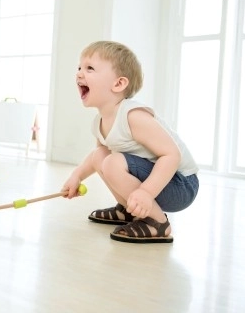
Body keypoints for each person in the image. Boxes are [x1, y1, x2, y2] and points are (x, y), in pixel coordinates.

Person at [60, 40, 199, 243]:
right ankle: (129, 210)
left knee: (113, 162)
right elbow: (97, 158)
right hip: (159, 182)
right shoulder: (99, 121)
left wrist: (146, 193)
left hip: (180, 185)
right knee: (101, 156)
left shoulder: (133, 116)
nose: (79, 74)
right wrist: (77, 176)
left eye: (89, 68)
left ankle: (157, 222)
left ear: (118, 84)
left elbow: (172, 155)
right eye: (79, 68)